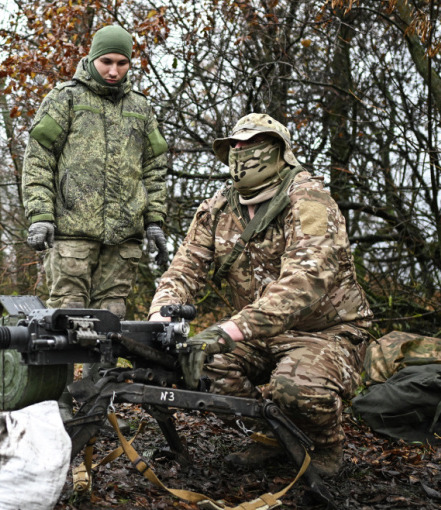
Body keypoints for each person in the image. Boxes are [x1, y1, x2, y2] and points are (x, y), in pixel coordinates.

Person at [147, 113, 373, 476]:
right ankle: (272, 436)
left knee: (296, 388)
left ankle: (325, 443)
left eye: (252, 145)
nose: (241, 153)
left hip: (325, 332)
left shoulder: (309, 201)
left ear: (278, 152)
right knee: (198, 366)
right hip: (258, 333)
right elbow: (185, 269)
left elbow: (305, 281)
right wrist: (161, 315)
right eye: (234, 146)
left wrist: (229, 331)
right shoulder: (219, 208)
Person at [21, 25, 170, 407]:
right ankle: (54, 402)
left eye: (122, 62)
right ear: (91, 58)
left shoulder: (141, 108)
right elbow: (38, 159)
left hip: (124, 238)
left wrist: (155, 221)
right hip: (72, 232)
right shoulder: (65, 99)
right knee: (67, 321)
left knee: (110, 322)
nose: (114, 70)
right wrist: (41, 214)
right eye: (107, 61)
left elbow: (154, 168)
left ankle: (92, 401)